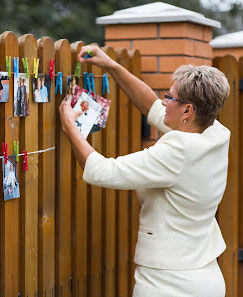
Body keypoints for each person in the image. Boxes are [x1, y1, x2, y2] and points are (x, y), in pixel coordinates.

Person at [59, 45, 230, 297]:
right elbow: (151, 106)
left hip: (169, 283)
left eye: (170, 97)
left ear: (187, 111)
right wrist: (111, 65)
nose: (163, 101)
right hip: (207, 276)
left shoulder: (179, 149)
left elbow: (101, 170)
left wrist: (69, 125)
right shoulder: (215, 131)